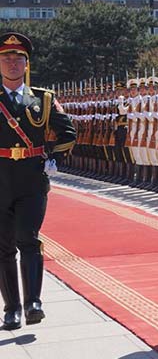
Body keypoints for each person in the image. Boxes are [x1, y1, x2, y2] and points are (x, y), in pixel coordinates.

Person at [0, 32, 76, 330]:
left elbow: (68, 133)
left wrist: (53, 157)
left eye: (18, 58)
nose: (12, 63)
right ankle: (11, 308)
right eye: (6, 58)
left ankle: (33, 302)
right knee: (4, 247)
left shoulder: (44, 99)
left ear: (27, 63)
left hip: (31, 180)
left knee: (28, 239)